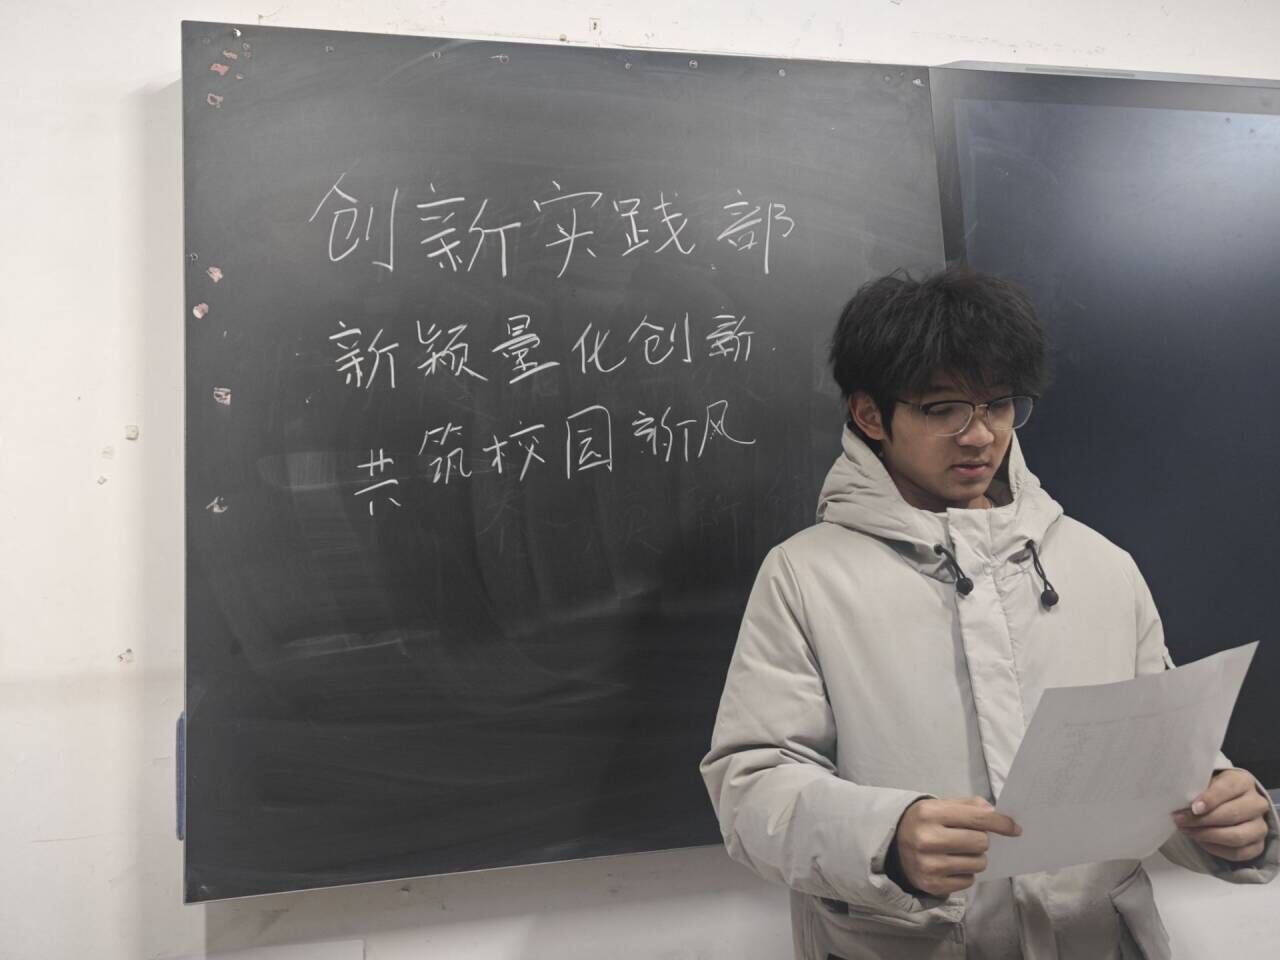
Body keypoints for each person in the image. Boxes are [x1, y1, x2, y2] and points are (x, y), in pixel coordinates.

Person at [700, 267, 1277, 960]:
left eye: (998, 404)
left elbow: (1159, 757)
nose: (978, 435)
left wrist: (1223, 808)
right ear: (871, 415)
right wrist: (886, 836)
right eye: (942, 408)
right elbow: (751, 787)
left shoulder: (1100, 564)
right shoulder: (805, 575)